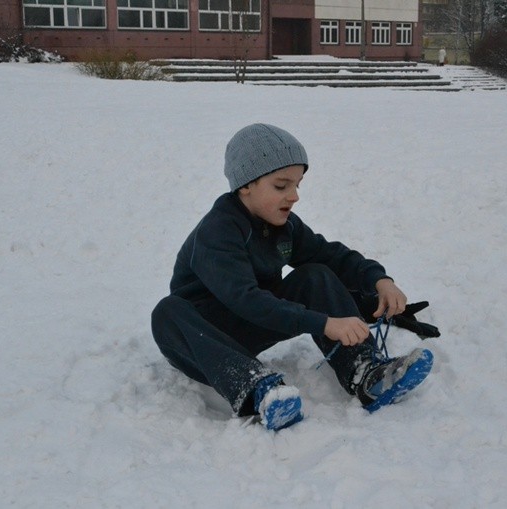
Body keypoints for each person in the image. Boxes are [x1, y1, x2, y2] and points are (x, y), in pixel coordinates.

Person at [151, 123, 439, 431]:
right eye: (281, 186)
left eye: (297, 185)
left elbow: (331, 256)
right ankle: (259, 391)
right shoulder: (217, 233)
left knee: (315, 274)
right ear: (246, 185)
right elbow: (244, 299)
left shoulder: (283, 225)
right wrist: (325, 323)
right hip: (203, 341)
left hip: (256, 321)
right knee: (167, 311)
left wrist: (378, 283)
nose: (294, 196)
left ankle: (366, 373)